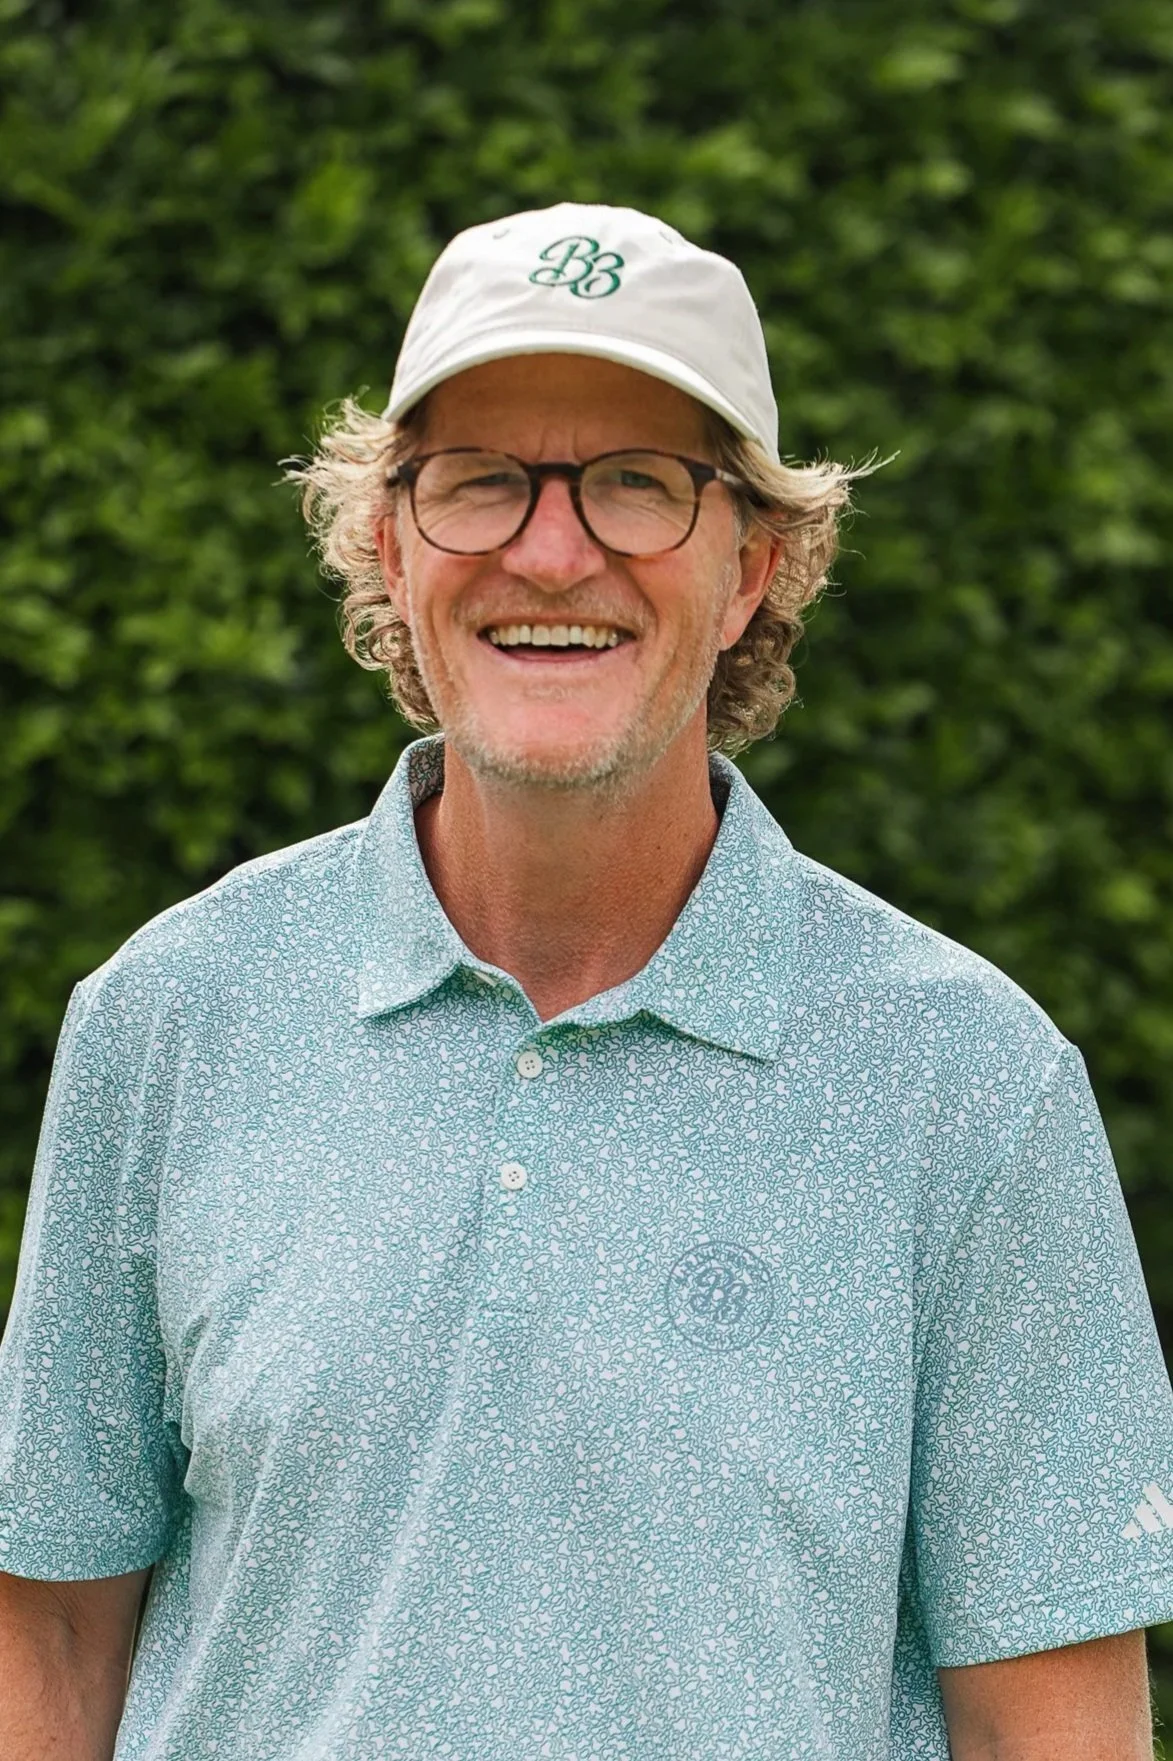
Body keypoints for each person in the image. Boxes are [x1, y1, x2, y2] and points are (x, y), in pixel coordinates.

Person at [0, 202, 1170, 1761]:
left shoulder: (965, 1078)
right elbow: (53, 1630)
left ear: (754, 564)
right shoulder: (170, 1021)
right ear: (392, 544)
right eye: (480, 483)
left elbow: (1057, 1716)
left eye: (637, 485)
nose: (555, 552)